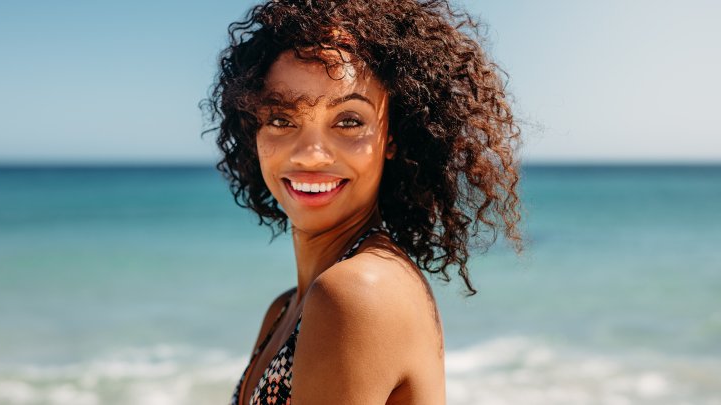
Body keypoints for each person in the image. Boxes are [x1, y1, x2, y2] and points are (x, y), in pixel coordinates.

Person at [203, 0, 524, 403]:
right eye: (282, 119)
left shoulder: (355, 294)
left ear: (391, 136)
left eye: (348, 121)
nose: (310, 154)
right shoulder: (285, 310)